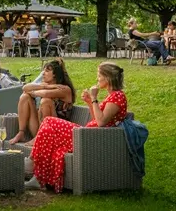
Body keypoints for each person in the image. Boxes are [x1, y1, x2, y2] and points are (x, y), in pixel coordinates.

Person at [26, 62, 127, 192]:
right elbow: (97, 119)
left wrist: (95, 98)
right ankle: (38, 178)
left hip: (90, 138)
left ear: (107, 78)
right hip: (88, 134)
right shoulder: (112, 96)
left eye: (99, 75)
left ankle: (32, 164)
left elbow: (101, 123)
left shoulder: (118, 96)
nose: (97, 79)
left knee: (49, 121)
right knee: (47, 129)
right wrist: (90, 102)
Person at [9, 59, 75, 145]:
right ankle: (21, 132)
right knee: (24, 97)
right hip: (41, 128)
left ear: (55, 75)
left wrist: (38, 90)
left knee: (46, 101)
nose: (43, 73)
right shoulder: (47, 85)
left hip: (57, 132)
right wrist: (46, 86)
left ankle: (41, 137)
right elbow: (24, 88)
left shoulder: (64, 89)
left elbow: (45, 94)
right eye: (43, 70)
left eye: (47, 71)